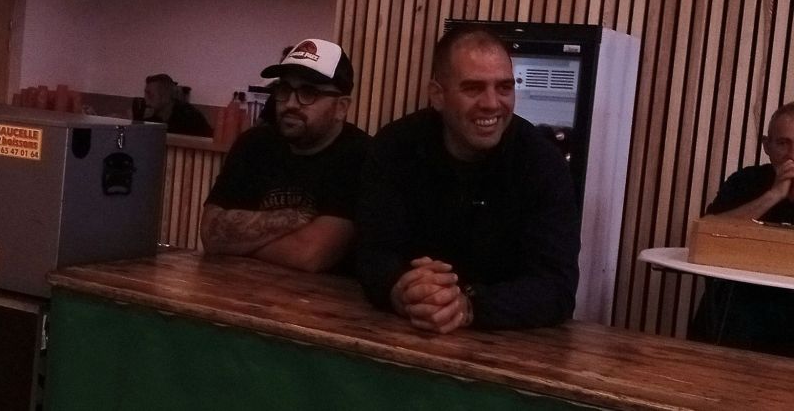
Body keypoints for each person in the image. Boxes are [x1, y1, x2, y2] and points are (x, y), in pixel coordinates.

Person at [357, 27, 580, 332]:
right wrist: (401, 289)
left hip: (507, 347)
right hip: (400, 332)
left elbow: (557, 287)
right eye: (473, 88)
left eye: (504, 87)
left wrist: (468, 305)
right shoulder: (395, 146)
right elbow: (372, 253)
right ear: (438, 95)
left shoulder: (543, 163)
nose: (492, 103)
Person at [200, 39, 370, 273]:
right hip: (239, 286)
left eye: (308, 93)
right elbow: (211, 234)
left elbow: (311, 255)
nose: (290, 103)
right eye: (284, 89)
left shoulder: (361, 156)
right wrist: (296, 218)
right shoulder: (253, 144)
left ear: (341, 107)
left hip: (317, 295)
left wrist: (236, 244)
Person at [689, 103, 794, 356]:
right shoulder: (746, 181)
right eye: (783, 143)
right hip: (739, 311)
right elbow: (707, 234)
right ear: (766, 146)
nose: (792, 155)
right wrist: (773, 195)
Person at [141, 74, 213, 137]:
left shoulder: (189, 117)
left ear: (165, 96)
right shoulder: (153, 119)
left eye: (149, 94)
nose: (145, 98)